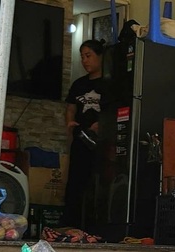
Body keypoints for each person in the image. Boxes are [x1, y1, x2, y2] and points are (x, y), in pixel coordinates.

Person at [62, 39, 106, 233]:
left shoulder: (109, 83)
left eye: (89, 56)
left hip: (102, 143)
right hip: (80, 140)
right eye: (82, 57)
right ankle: (71, 225)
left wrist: (103, 125)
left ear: (100, 56)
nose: (85, 61)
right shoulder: (79, 84)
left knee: (96, 183)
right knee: (75, 183)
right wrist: (69, 123)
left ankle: (95, 227)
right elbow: (71, 107)